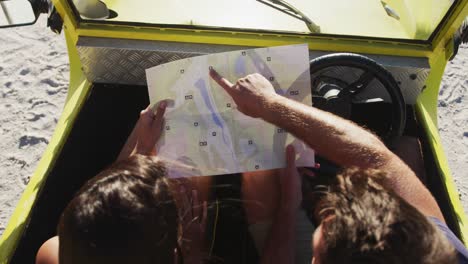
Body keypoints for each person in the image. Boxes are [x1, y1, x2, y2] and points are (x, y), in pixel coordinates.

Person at [209, 68, 468, 264]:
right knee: (408, 144)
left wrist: (288, 205)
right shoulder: (438, 248)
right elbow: (378, 159)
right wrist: (269, 104)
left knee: (262, 170)